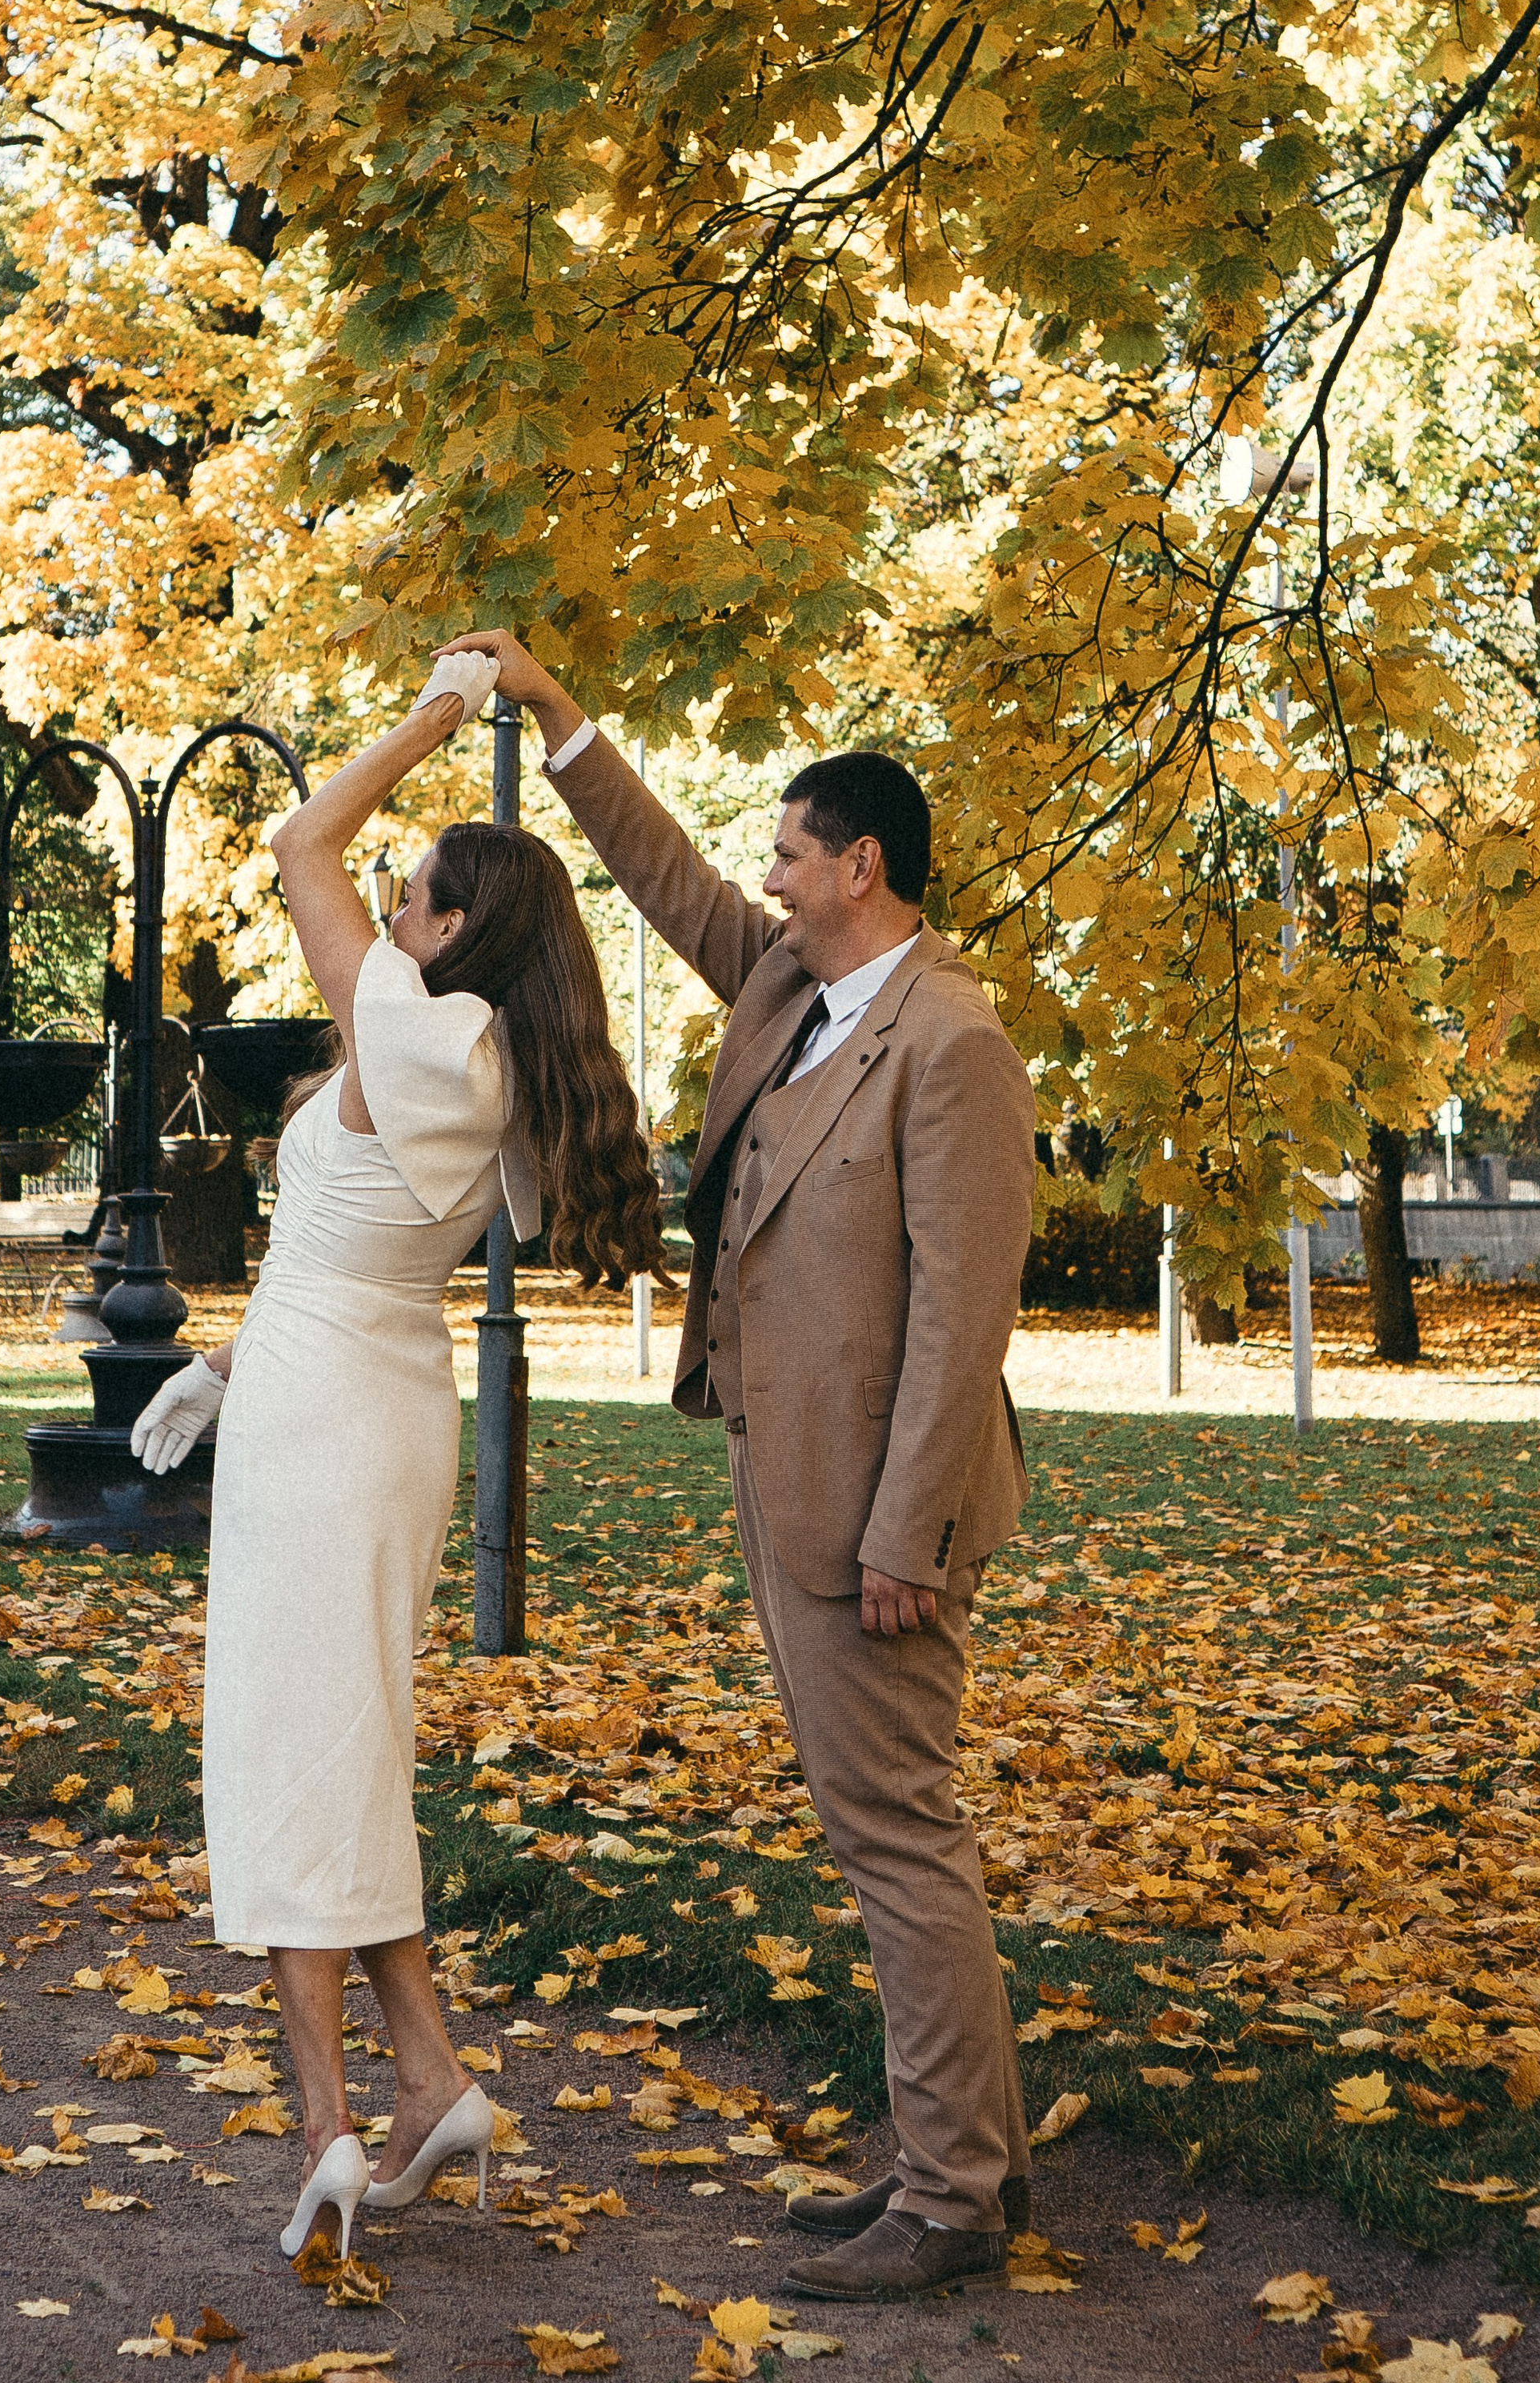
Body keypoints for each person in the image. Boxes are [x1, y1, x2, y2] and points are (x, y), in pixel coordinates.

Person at [441, 631, 1036, 2303]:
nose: (761, 877)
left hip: (878, 1512)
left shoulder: (951, 1043)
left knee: (894, 1829)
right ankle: (958, 2163)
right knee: (877, 1829)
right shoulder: (790, 984)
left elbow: (959, 1325)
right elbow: (659, 875)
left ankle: (950, 2198)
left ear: (860, 866)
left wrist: (905, 1528)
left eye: (787, 850)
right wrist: (557, 718)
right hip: (789, 1478)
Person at [127, 656, 663, 2262]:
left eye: (415, 894)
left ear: (450, 929)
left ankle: (326, 2127)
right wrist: (226, 1360)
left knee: (287, 1765)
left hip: (319, 1430)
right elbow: (350, 1253)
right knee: (338, 1752)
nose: (389, 904)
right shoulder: (494, 1060)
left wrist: (436, 715)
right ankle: (425, 2082)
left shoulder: (415, 1029)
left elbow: (299, 840)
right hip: (364, 1400)